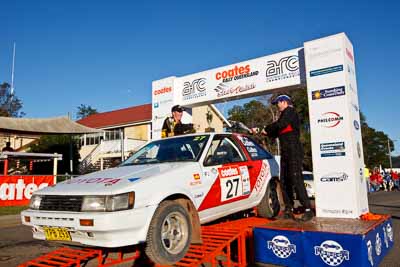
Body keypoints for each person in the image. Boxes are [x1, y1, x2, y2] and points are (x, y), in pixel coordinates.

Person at [252, 94, 313, 221]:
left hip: (294, 151)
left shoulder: (290, 112)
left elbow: (279, 124)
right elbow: (274, 133)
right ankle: (289, 209)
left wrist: (266, 129)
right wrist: (260, 131)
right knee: (284, 182)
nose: (277, 106)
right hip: (285, 153)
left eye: (278, 103)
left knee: (296, 179)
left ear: (284, 102)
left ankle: (307, 209)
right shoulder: (283, 117)